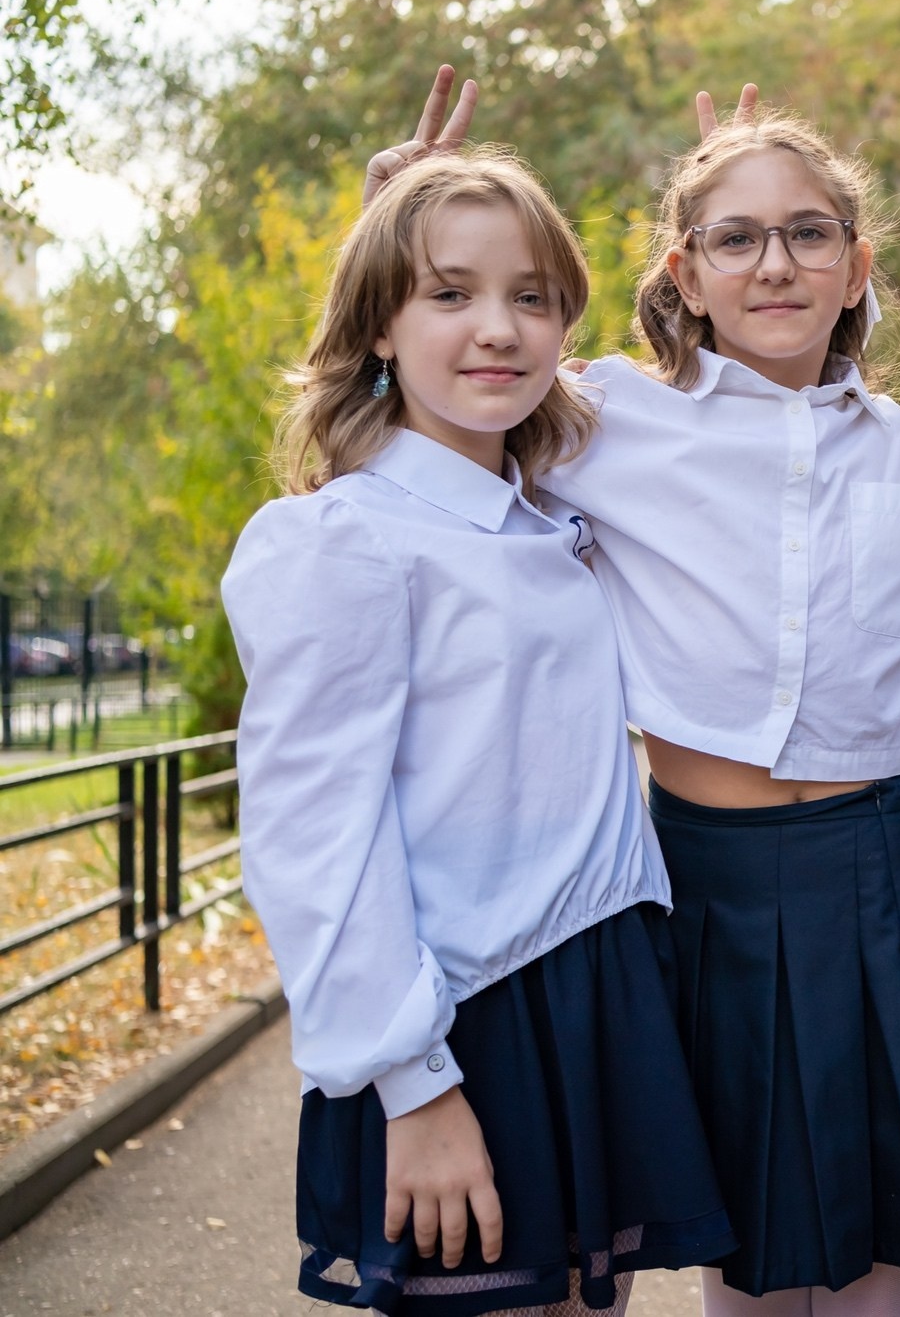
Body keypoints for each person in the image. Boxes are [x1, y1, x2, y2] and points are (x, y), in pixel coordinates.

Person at [362, 74, 900, 1316]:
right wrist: (400, 240)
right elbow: (419, 428)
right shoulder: (599, 418)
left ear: (857, 265)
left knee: (889, 1242)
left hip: (890, 867)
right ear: (683, 272)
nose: (773, 264)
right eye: (736, 238)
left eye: (807, 234)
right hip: (703, 881)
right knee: (748, 1237)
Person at [222, 149, 734, 1316]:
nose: (498, 328)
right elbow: (312, 838)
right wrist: (411, 1084)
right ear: (379, 324)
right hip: (459, 1023)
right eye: (449, 294)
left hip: (596, 988)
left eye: (531, 296)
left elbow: (725, 424)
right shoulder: (345, 540)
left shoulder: (552, 511)